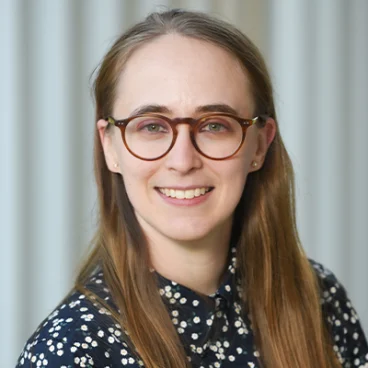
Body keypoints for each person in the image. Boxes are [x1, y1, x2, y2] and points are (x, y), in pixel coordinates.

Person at [16, 9, 368, 368]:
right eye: (152, 126)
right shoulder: (74, 351)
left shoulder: (319, 299)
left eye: (215, 125)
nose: (183, 161)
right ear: (110, 147)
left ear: (260, 146)